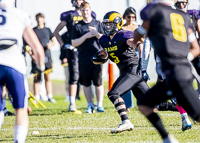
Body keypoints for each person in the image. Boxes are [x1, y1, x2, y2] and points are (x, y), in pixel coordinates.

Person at [132, 0, 200, 142]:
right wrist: (184, 58)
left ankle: (167, 138)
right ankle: (167, 138)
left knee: (198, 116)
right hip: (177, 73)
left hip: (177, 75)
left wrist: (134, 39)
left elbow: (139, 34)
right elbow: (196, 48)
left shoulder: (154, 10)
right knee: (144, 104)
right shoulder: (183, 16)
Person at [97, 11, 149, 133]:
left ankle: (126, 121)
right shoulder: (104, 39)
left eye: (110, 24)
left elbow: (139, 44)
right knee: (154, 104)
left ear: (117, 24)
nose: (107, 27)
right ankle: (186, 109)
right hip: (125, 71)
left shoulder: (122, 35)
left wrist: (142, 63)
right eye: (106, 24)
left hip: (133, 69)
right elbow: (104, 53)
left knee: (113, 93)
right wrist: (99, 57)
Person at [0, 0, 45, 142]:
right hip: (14, 64)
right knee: (21, 108)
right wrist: (41, 68)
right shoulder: (19, 14)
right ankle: (18, 140)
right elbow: (38, 48)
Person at [54, 0, 96, 111]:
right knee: (74, 76)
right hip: (73, 49)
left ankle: (91, 102)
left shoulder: (90, 13)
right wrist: (63, 45)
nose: (78, 1)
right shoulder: (68, 15)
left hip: (87, 49)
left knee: (89, 75)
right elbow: (56, 32)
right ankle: (72, 102)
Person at [71, 2, 105, 113]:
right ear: (80, 11)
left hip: (97, 57)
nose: (85, 12)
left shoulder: (97, 23)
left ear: (90, 10)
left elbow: (104, 39)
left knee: (98, 82)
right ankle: (90, 105)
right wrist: (85, 36)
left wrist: (96, 33)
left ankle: (99, 105)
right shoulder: (77, 26)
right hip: (83, 58)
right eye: (83, 10)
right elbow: (74, 43)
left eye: (87, 10)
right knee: (86, 83)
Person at [121, 7, 146, 112]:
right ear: (125, 17)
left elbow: (144, 41)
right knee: (125, 79)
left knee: (141, 78)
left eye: (133, 17)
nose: (131, 19)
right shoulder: (121, 28)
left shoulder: (138, 27)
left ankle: (142, 102)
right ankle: (127, 104)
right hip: (126, 55)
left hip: (138, 53)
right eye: (128, 16)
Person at [174, 0, 200, 95]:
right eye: (178, 3)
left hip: (194, 49)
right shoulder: (172, 15)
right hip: (180, 50)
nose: (181, 5)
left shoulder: (193, 14)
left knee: (197, 73)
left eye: (183, 2)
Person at [31, 13, 56, 103]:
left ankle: (50, 96)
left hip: (47, 56)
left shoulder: (47, 30)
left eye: (40, 18)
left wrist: (50, 44)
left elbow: (53, 41)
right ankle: (36, 97)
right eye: (37, 18)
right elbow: (28, 45)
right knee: (36, 77)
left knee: (47, 77)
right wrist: (31, 54)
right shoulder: (32, 30)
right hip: (36, 57)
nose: (39, 20)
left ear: (43, 19)